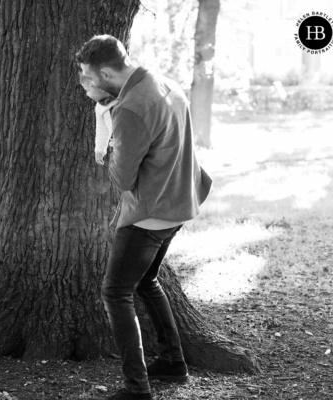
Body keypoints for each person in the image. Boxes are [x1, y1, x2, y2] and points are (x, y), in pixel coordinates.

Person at [76, 35, 212, 400]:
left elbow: (122, 178)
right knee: (147, 281)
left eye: (89, 78)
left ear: (106, 72)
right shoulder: (165, 83)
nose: (86, 84)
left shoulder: (130, 109)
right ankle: (173, 363)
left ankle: (137, 389)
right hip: (181, 203)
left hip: (150, 214)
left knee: (115, 293)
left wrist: (107, 133)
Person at [79, 73, 118, 165]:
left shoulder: (120, 98)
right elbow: (102, 128)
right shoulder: (100, 107)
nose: (88, 94)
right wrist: (100, 149)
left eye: (89, 90)